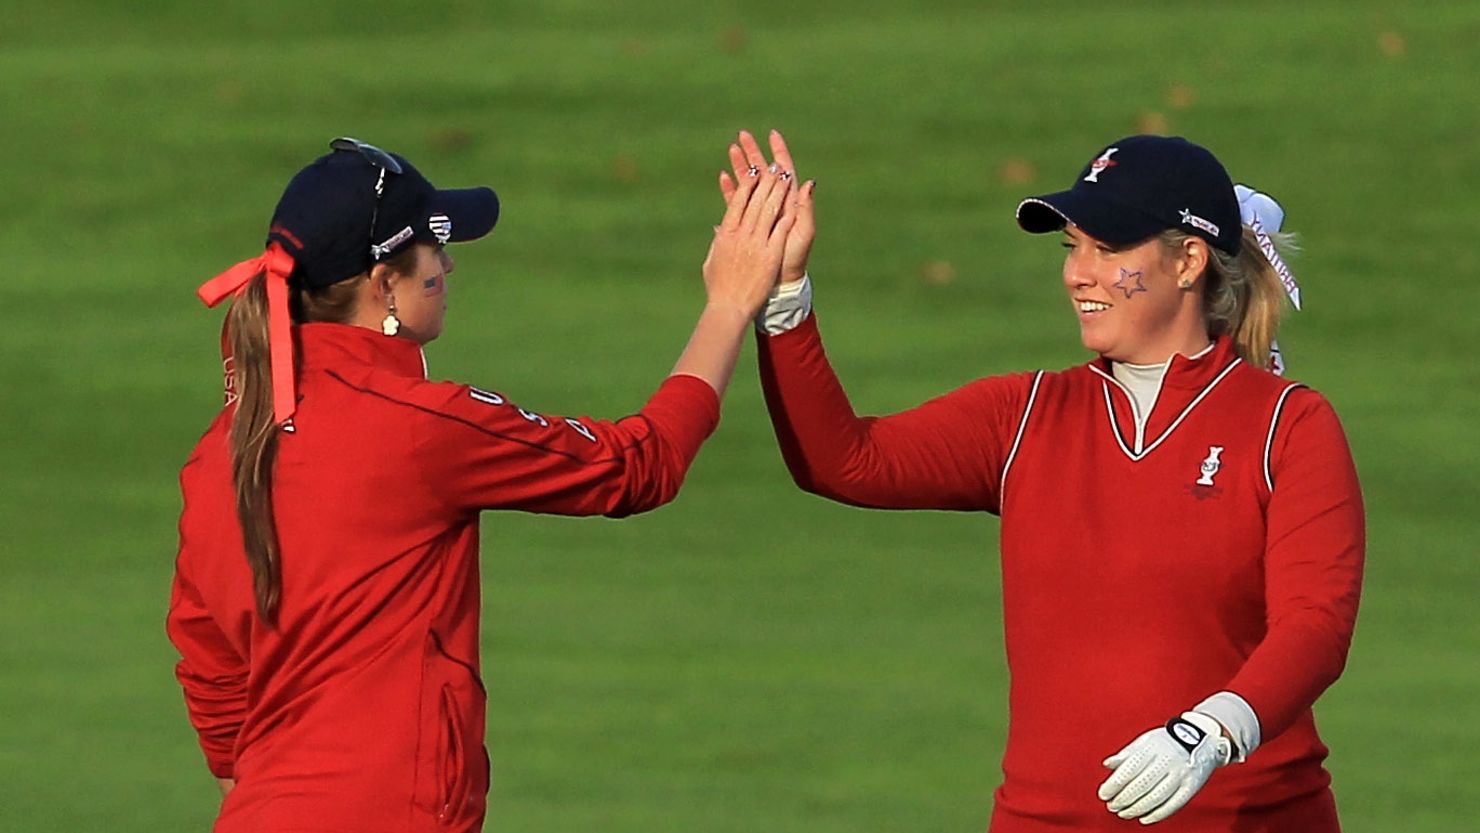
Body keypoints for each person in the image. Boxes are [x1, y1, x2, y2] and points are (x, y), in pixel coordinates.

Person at [731, 130, 1364, 831]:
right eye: (1072, 248)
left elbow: (1316, 624)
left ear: (1188, 260)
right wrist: (785, 297)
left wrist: (1213, 730)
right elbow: (843, 460)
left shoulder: (1287, 424)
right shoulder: (1027, 414)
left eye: (1109, 248)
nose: (1077, 274)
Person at [167, 136, 797, 832]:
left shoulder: (216, 455)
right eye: (435, 250)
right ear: (384, 287)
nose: (449, 262)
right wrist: (730, 303)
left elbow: (216, 686)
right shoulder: (416, 428)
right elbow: (637, 466)